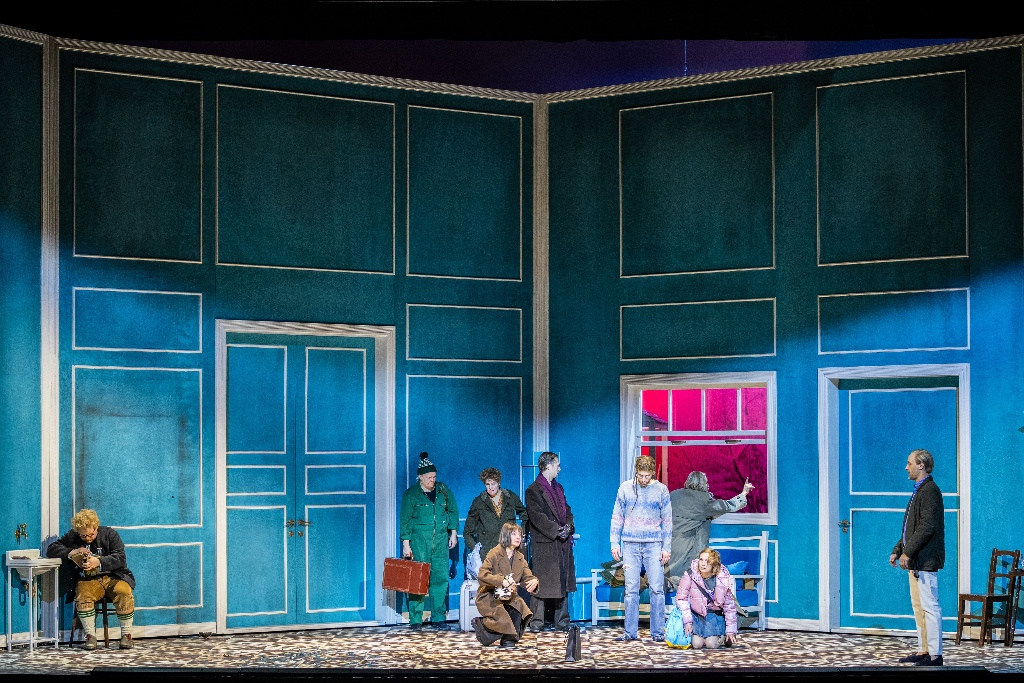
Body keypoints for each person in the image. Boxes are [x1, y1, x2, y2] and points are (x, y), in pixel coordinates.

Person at [46, 508, 136, 650]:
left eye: (91, 534)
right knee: (83, 593)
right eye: (83, 536)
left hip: (114, 576)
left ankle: (126, 635)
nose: (87, 538)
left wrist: (99, 562)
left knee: (123, 591)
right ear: (78, 532)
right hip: (89, 580)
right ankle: (90, 636)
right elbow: (51, 549)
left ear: (96, 527)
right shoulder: (73, 536)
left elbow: (120, 558)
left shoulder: (109, 534)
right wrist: (72, 552)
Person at [890, 449, 945, 667]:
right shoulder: (919, 490)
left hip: (925, 559)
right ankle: (924, 650)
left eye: (909, 463)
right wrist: (898, 549)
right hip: (916, 560)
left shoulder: (929, 491)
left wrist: (908, 552)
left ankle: (935, 655)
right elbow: (909, 529)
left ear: (921, 465)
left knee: (930, 607)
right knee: (919, 607)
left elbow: (927, 527)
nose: (906, 467)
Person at [609, 455, 672, 642]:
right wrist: (614, 543)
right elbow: (617, 516)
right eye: (640, 475)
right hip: (630, 544)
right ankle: (630, 632)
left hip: (654, 544)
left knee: (657, 588)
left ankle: (658, 632)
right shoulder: (625, 488)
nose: (643, 479)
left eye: (647, 476)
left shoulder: (661, 490)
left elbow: (667, 521)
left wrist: (666, 547)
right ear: (635, 472)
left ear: (652, 473)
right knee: (631, 589)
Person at [400, 451, 459, 630]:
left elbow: (452, 511)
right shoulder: (411, 495)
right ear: (420, 477)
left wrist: (453, 533)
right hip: (419, 541)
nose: (432, 480)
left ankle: (439, 617)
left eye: (434, 477)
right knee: (417, 578)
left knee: (440, 578)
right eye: (428, 478)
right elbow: (405, 521)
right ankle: (415, 619)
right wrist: (406, 545)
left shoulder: (443, 490)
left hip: (440, 540)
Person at [667, 471, 753, 589]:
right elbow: (727, 506)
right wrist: (743, 493)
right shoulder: (704, 501)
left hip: (671, 545)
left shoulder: (674, 495)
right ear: (704, 483)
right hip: (690, 547)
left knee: (669, 576)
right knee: (688, 579)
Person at [524, 451, 576, 632]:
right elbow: (537, 517)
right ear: (548, 466)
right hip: (546, 543)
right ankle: (536, 621)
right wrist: (556, 530)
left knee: (563, 581)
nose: (559, 469)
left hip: (562, 542)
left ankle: (562, 621)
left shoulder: (558, 488)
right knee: (541, 582)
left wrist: (568, 526)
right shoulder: (533, 490)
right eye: (557, 465)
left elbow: (567, 510)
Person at [473, 522, 540, 648]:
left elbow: (528, 576)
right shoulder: (494, 553)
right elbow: (482, 575)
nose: (518, 537)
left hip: (509, 595)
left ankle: (509, 639)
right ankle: (483, 624)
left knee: (519, 606)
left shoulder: (520, 557)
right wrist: (501, 581)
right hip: (490, 594)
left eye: (520, 534)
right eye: (514, 534)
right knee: (501, 617)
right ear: (506, 535)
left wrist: (534, 581)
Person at [675, 547, 738, 649]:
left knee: (711, 644)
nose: (703, 564)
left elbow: (729, 606)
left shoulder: (722, 578)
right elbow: (681, 599)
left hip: (714, 616)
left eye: (707, 561)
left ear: (713, 563)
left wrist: (730, 630)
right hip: (697, 615)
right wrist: (687, 621)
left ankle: (723, 635)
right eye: (701, 560)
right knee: (697, 644)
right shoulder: (690, 575)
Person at [463, 467, 529, 564]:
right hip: (488, 553)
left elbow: (525, 514)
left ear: (499, 483)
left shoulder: (510, 497)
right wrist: (477, 550)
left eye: (493, 483)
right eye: (487, 484)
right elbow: (467, 532)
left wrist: (522, 532)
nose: (491, 487)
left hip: (509, 550)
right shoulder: (479, 502)